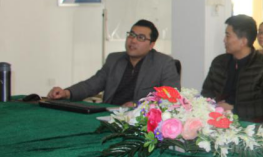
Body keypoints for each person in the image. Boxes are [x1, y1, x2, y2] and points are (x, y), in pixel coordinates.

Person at [47, 20, 179, 107]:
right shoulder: (114, 59)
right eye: (131, 35)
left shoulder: (163, 63)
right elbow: (92, 84)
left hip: (139, 119)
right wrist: (67, 93)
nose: (133, 41)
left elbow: (170, 96)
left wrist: (136, 105)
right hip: (108, 113)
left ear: (151, 45)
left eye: (140, 38)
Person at [201, 15, 263, 121]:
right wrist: (214, 106)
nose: (224, 40)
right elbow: (206, 93)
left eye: (228, 36)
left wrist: (234, 109)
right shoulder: (219, 62)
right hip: (216, 119)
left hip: (250, 123)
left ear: (243, 41)